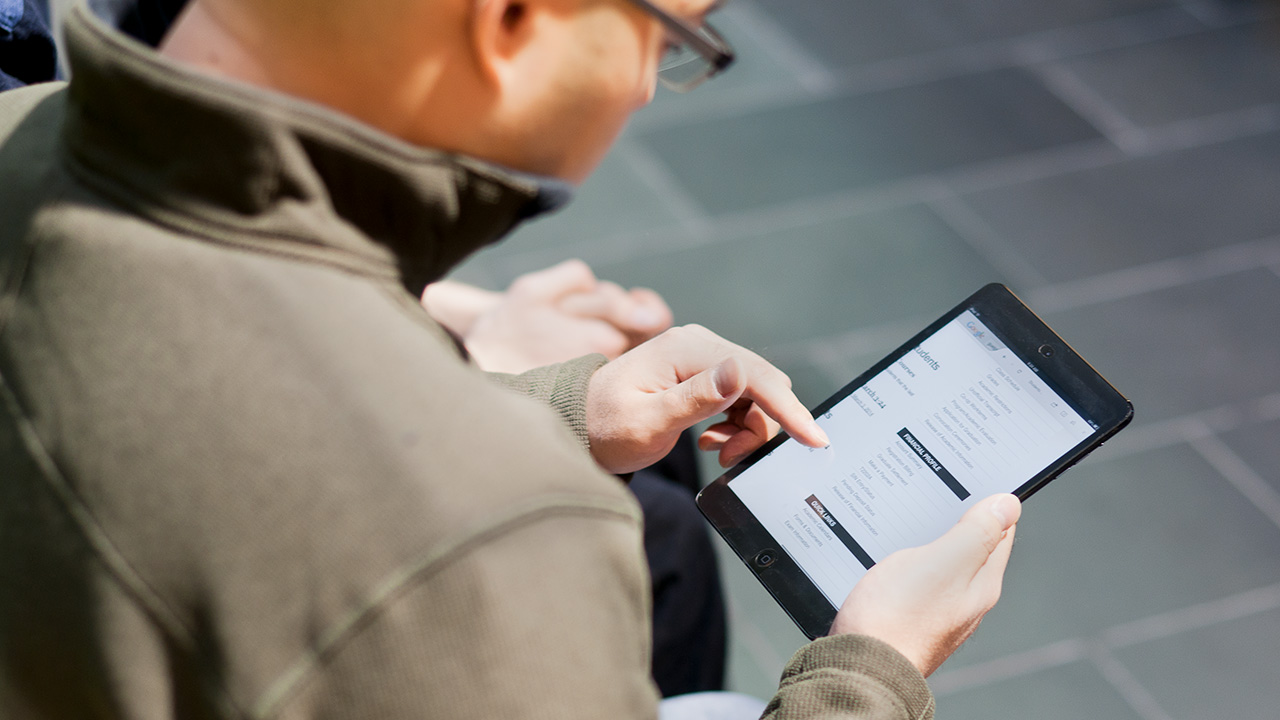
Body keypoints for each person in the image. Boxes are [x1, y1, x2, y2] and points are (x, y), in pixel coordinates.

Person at [0, 2, 1021, 720]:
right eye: (667, 38)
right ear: (509, 20)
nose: (640, 90)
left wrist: (559, 409)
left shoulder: (20, 139)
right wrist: (873, 670)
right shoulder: (487, 541)